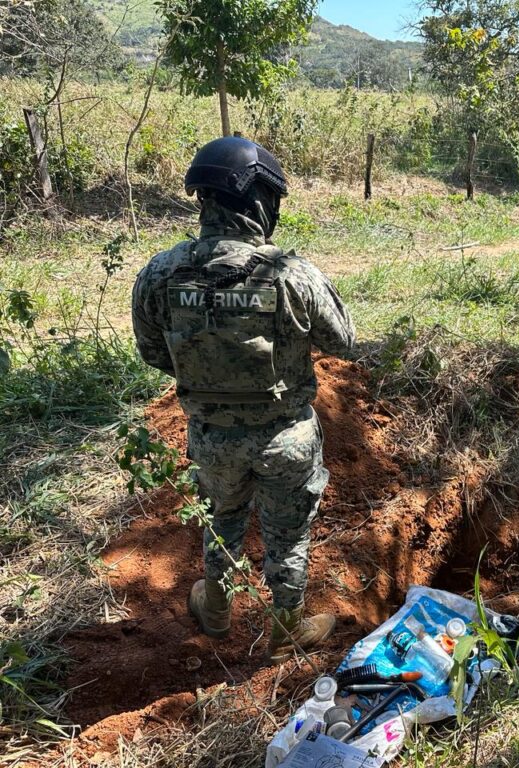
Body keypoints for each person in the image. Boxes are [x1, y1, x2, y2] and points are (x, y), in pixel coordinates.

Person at [131, 136, 355, 661]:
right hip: (286, 436)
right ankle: (285, 631)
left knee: (221, 518)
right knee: (287, 531)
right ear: (260, 201)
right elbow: (343, 341)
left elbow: (153, 353)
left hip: (211, 436)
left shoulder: (160, 273)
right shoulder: (289, 273)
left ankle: (215, 611)